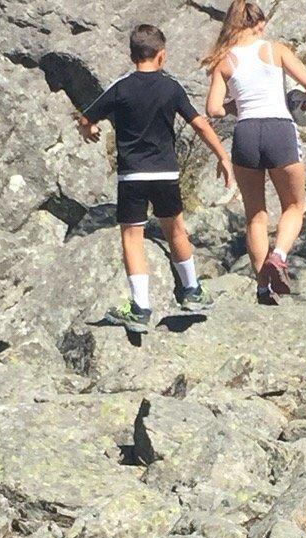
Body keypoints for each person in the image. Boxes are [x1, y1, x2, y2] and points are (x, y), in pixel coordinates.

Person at [74, 22, 234, 330]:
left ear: (132, 55)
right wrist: (222, 156)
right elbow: (200, 124)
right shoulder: (170, 87)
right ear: (161, 55)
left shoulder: (120, 86)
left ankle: (140, 307)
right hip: (165, 172)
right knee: (176, 230)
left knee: (132, 237)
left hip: (132, 175)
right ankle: (192, 290)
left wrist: (88, 129)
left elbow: (86, 118)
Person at [202, 0, 306, 304]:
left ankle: (264, 288)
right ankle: (279, 256)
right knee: (294, 206)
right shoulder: (275, 50)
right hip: (279, 129)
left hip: (246, 133)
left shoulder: (224, 60)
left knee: (256, 216)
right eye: (262, 26)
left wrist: (237, 105)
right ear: (256, 25)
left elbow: (213, 109)